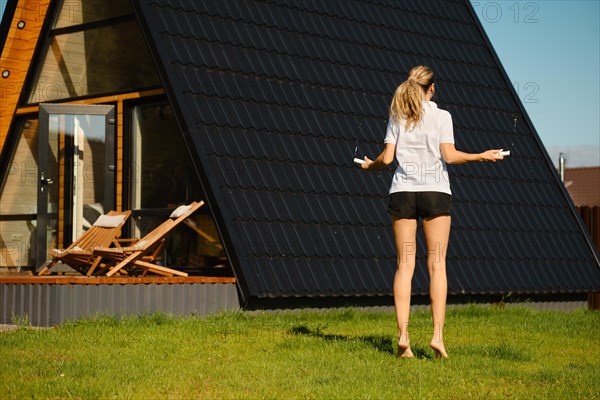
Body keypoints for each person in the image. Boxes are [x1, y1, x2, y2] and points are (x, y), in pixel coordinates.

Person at [360, 66, 504, 359]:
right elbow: (450, 156)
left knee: (404, 265)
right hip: (435, 194)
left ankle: (403, 337)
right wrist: (481, 155)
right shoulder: (442, 117)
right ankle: (437, 337)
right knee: (437, 263)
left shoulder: (398, 115)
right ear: (432, 89)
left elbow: (387, 159)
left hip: (403, 194)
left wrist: (368, 165)